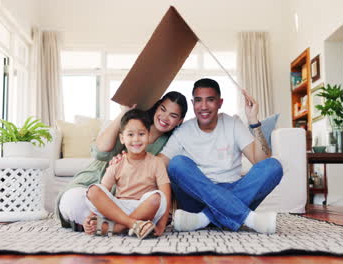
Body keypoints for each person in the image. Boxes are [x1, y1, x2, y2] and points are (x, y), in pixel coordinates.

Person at [159, 78, 283, 234]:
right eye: (198, 100)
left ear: (220, 102)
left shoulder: (233, 124)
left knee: (273, 166)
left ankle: (203, 219)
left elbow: (261, 161)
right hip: (197, 197)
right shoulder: (183, 131)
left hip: (232, 190)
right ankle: (248, 219)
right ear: (193, 103)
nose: (203, 106)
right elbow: (160, 163)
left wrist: (253, 120)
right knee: (177, 164)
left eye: (210, 100)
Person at [56, 91, 187, 236]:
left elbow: (161, 186)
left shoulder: (171, 144)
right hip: (101, 184)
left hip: (134, 200)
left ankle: (116, 226)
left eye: (173, 115)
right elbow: (101, 153)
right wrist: (124, 112)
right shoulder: (133, 123)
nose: (165, 117)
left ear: (180, 121)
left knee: (155, 201)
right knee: (73, 202)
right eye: (162, 109)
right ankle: (130, 224)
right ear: (156, 107)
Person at [85, 109, 170, 239]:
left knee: (157, 198)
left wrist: (162, 225)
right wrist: (91, 217)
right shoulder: (117, 163)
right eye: (130, 135)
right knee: (93, 190)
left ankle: (117, 228)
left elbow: (165, 194)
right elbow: (102, 193)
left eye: (141, 134)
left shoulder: (157, 162)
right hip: (119, 209)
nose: (136, 139)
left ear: (148, 135)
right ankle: (132, 224)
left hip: (144, 210)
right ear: (122, 138)